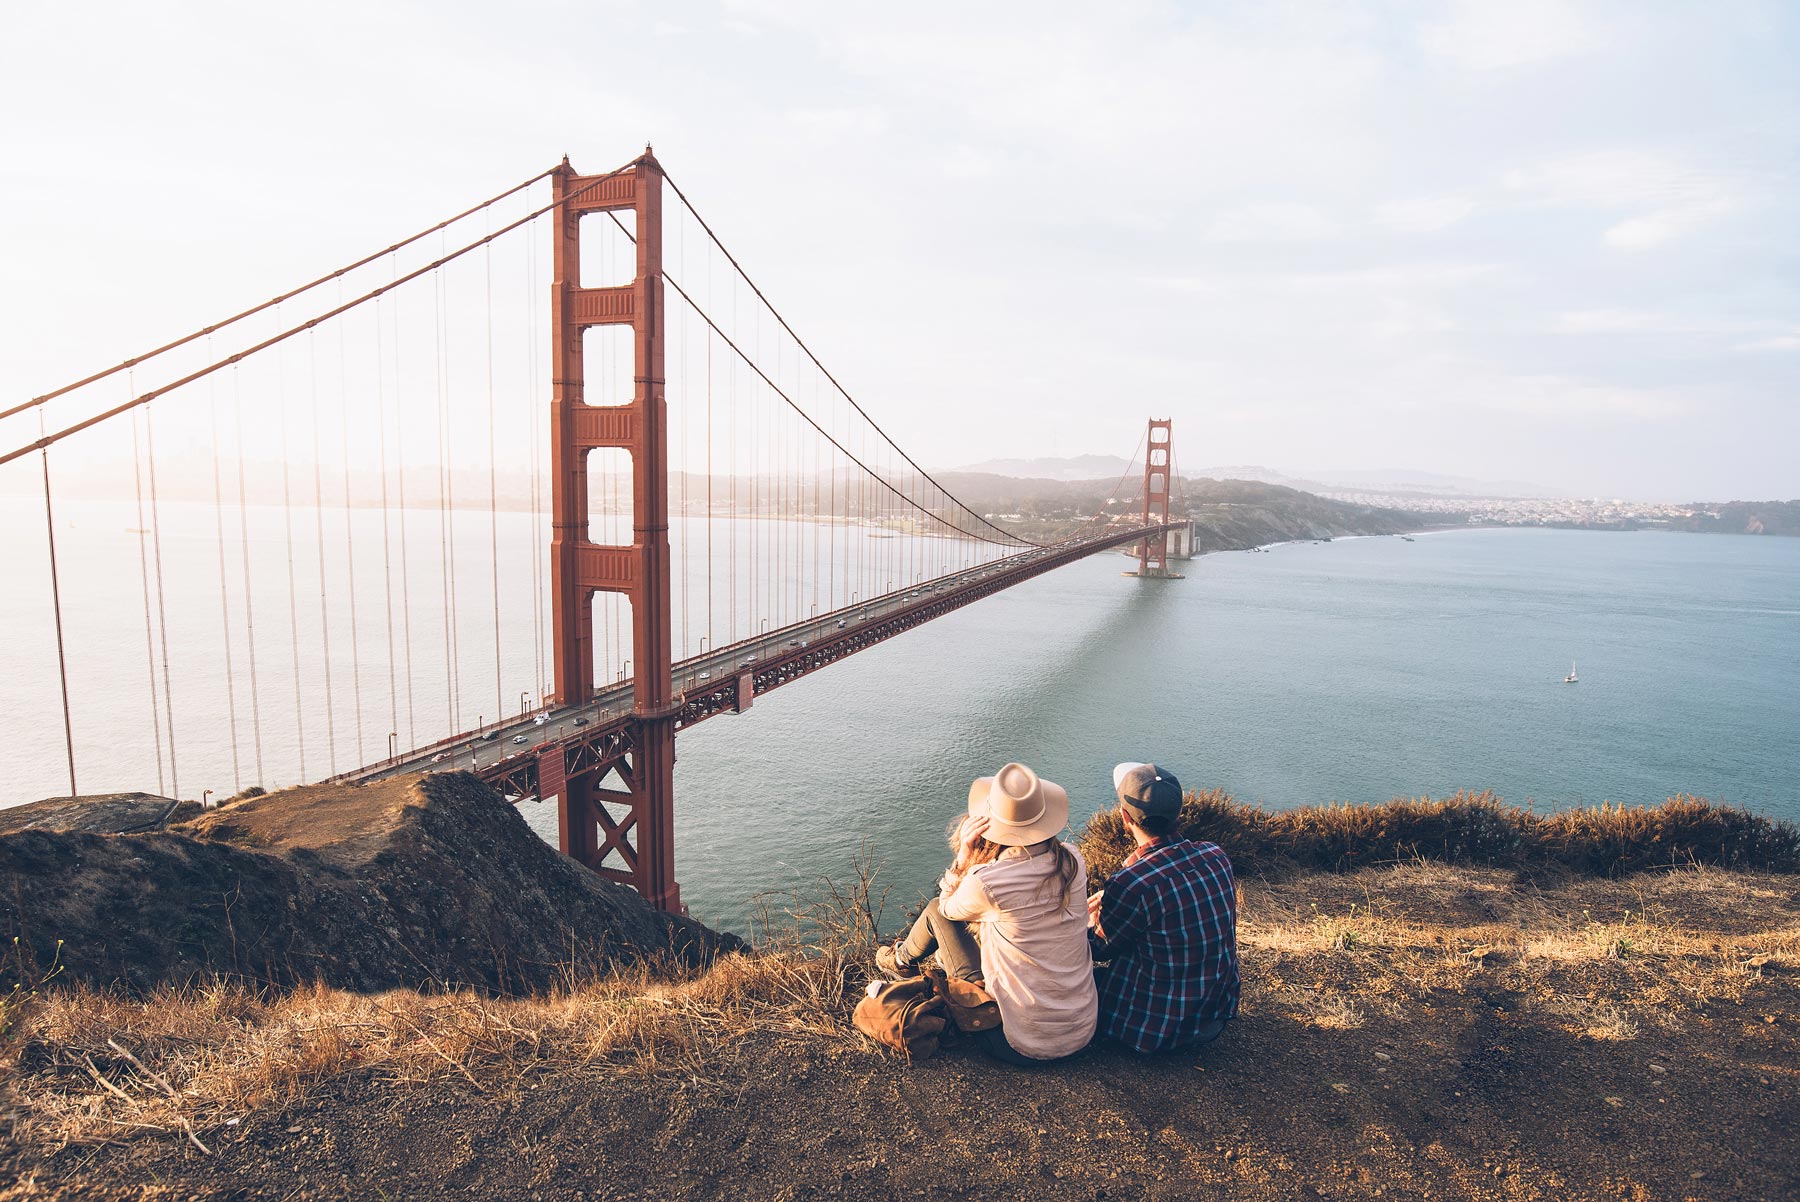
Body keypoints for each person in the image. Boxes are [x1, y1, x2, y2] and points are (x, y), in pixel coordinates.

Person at [877, 762, 1098, 1063]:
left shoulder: (988, 882)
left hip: (1016, 1043)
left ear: (991, 823)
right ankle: (900, 959)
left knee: (936, 912)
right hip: (1082, 1032)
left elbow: (947, 909)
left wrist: (962, 858)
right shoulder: (1072, 860)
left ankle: (899, 960)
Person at [1088, 762, 1239, 1054]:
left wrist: (1091, 918)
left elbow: (1097, 950)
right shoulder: (1215, 854)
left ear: (1124, 817)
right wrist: (1121, 896)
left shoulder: (1133, 884)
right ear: (1179, 813)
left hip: (1154, 1027)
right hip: (1212, 1017)